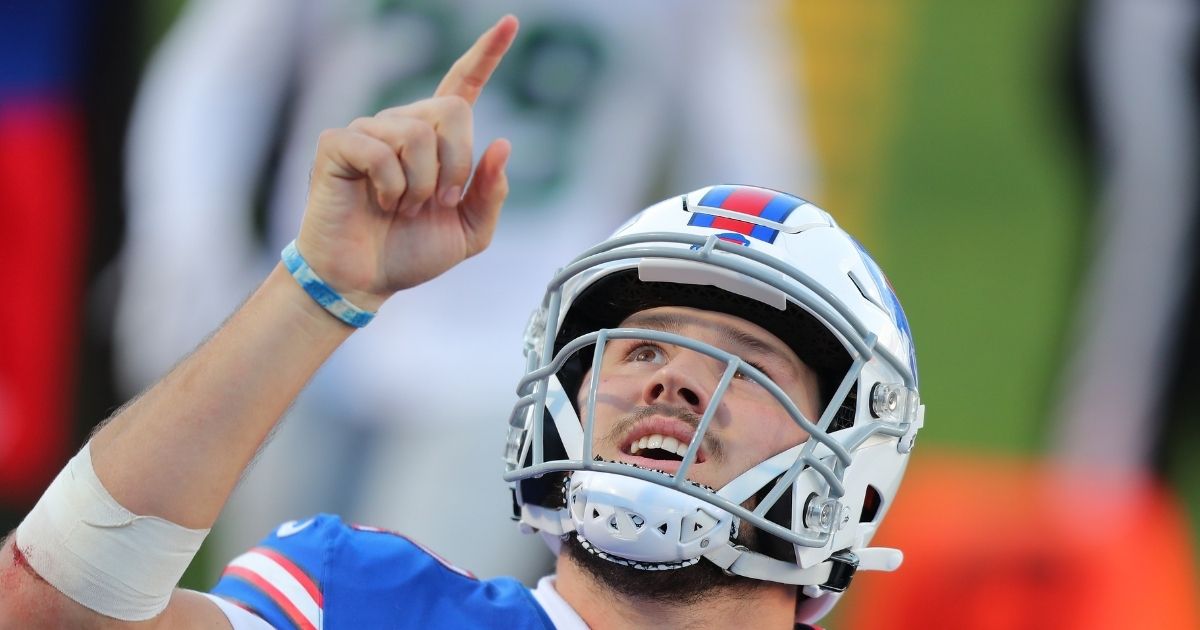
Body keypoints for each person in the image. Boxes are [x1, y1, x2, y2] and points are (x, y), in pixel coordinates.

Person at [0, 16, 922, 629]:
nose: (673, 378)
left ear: (851, 465)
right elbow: (52, 613)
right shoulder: (364, 601)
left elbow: (753, 132)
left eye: (747, 360)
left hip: (484, 351)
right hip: (368, 336)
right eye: (639, 346)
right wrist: (315, 285)